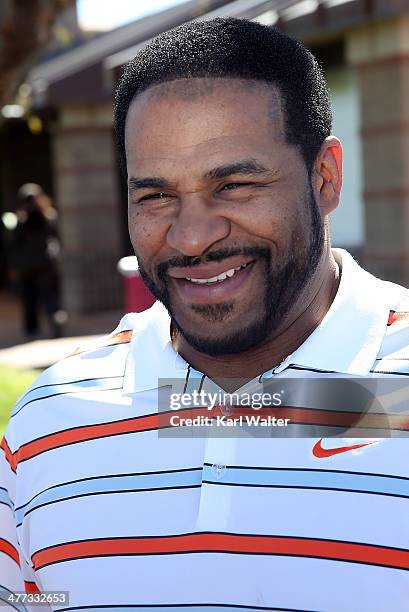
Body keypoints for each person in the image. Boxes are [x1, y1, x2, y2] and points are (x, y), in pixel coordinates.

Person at [1, 18, 409, 611]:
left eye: (236, 184)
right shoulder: (51, 421)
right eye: (156, 196)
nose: (191, 238)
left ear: (324, 178)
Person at [8, 183, 66, 338]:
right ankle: (54, 323)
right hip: (45, 263)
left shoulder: (20, 219)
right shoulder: (49, 215)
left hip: (28, 265)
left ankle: (31, 330)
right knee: (49, 296)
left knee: (30, 298)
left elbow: (13, 243)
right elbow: (56, 237)